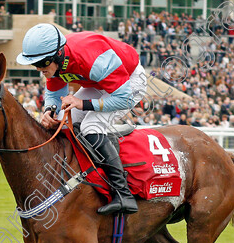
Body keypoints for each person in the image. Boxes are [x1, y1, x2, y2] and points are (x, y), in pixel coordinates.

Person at [17, 23, 147, 214]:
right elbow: (54, 95)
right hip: (99, 82)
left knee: (91, 126)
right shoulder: (56, 63)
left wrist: (82, 104)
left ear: (58, 55)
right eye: (34, 64)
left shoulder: (92, 58)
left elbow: (124, 98)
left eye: (42, 63)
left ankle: (123, 194)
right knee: (61, 121)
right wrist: (49, 111)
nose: (38, 69)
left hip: (128, 82)